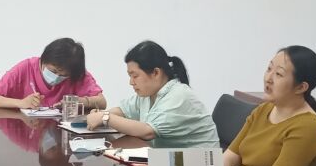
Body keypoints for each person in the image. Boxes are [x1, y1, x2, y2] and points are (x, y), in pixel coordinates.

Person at [224, 47, 316, 166]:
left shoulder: (308, 127)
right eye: (269, 69)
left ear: (301, 87)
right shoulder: (264, 109)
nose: (268, 78)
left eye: (278, 74)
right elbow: (231, 155)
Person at [85, 41, 219, 148]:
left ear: (156, 73)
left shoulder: (179, 95)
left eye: (135, 76)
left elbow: (147, 131)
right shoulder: (149, 93)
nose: (131, 82)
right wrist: (101, 115)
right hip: (170, 161)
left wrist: (105, 117)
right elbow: (124, 110)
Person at [0, 38, 106, 111]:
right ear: (43, 60)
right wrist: (21, 103)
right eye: (53, 71)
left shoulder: (77, 73)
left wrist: (79, 101)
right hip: (27, 128)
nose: (56, 77)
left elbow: (102, 102)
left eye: (63, 75)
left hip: (61, 134)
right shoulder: (26, 67)